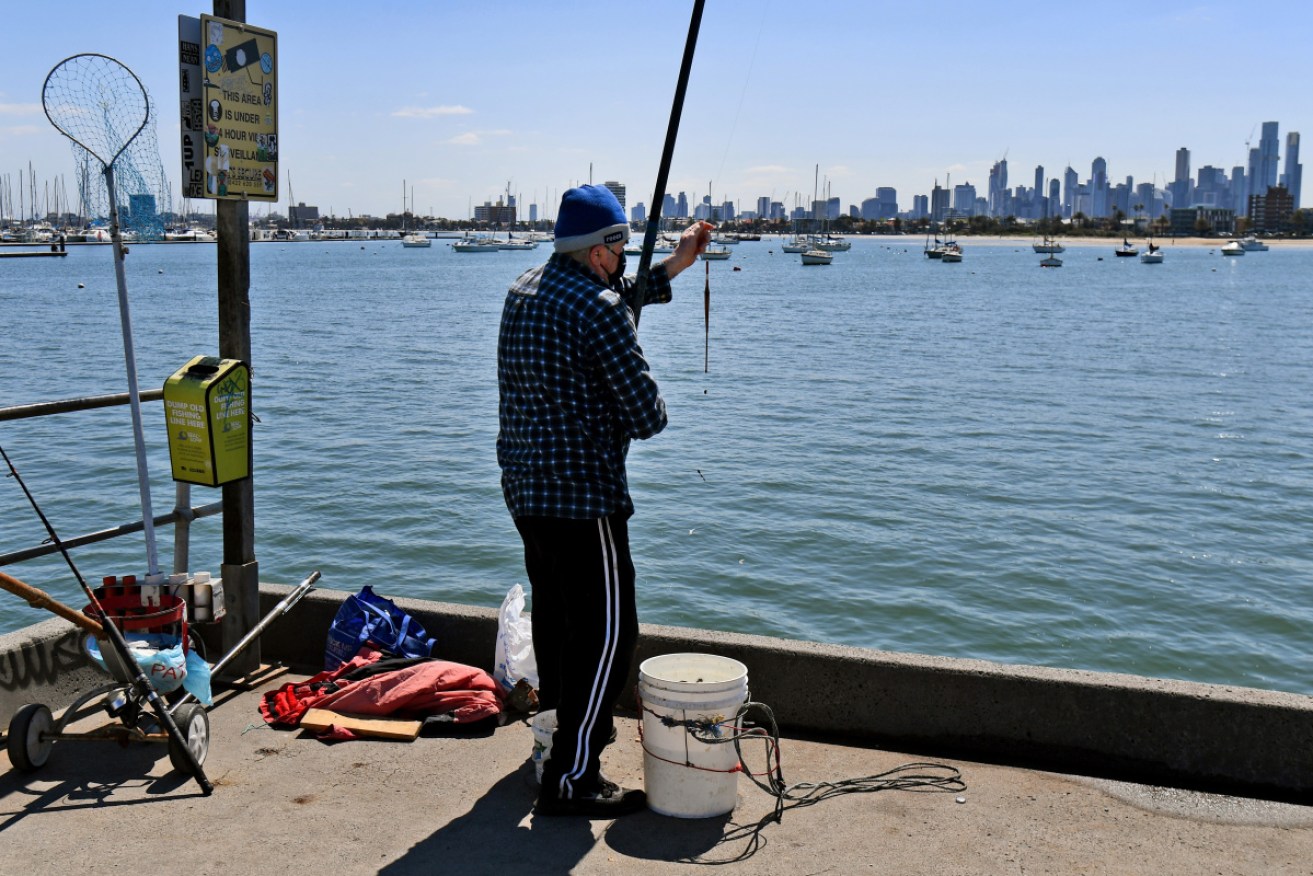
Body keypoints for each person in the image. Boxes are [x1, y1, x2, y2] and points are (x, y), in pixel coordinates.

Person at [497, 184, 711, 817]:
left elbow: (618, 293)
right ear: (599, 251)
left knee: (561, 625)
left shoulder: (525, 289)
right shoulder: (600, 311)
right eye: (619, 246)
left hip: (526, 489)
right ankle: (573, 773)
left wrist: (676, 263)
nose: (622, 256)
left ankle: (561, 737)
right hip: (583, 498)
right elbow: (648, 417)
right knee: (613, 634)